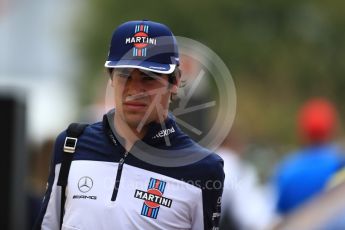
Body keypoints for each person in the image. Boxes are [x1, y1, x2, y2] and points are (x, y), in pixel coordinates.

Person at [34, 20, 225, 230]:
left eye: (148, 77)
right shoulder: (71, 145)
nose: (135, 90)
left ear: (175, 81)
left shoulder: (202, 167)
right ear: (111, 78)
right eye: (125, 75)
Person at [273, 98, 345, 215]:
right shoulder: (339, 163)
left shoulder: (287, 170)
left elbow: (280, 212)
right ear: (332, 129)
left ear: (303, 131)